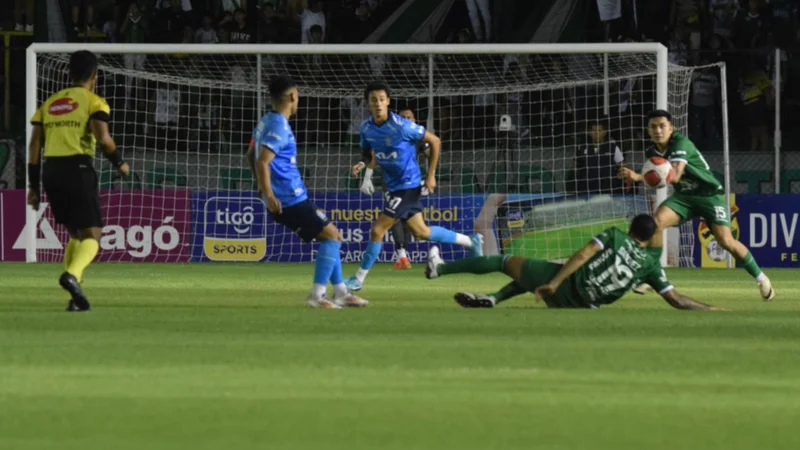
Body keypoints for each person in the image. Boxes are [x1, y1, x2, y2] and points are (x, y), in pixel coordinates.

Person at [619, 109, 774, 300]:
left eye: (662, 126)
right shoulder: (652, 152)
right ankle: (655, 275)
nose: (658, 130)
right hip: (684, 197)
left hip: (708, 196)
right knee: (655, 223)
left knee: (726, 241)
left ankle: (762, 279)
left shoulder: (681, 143)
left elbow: (673, 176)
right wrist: (643, 176)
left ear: (671, 128)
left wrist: (639, 177)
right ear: (648, 130)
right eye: (653, 127)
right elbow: (662, 178)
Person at [426, 214, 725, 311]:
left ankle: (439, 269)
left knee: (503, 261)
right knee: (535, 275)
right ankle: (494, 298)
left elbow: (582, 255)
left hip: (565, 287)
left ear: (631, 227)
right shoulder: (651, 265)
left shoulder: (615, 236)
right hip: (583, 304)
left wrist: (555, 284)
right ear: (650, 238)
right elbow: (676, 299)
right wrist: (711, 308)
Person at [347, 81, 483, 291]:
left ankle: (358, 279)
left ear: (388, 102)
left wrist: (431, 175)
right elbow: (367, 152)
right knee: (421, 232)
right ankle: (471, 242)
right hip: (393, 187)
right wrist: (363, 164)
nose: (378, 104)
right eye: (374, 100)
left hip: (408, 186)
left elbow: (435, 141)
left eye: (382, 99)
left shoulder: (402, 125)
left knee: (377, 230)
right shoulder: (366, 128)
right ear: (368, 103)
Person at [246, 75, 367, 309]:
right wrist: (269, 195)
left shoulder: (265, 121)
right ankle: (317, 295)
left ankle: (341, 292)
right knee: (333, 237)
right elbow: (262, 161)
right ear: (293, 96)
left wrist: (262, 187)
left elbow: (250, 155)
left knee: (333, 237)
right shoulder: (278, 125)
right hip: (288, 199)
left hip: (289, 197)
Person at [27, 50, 131, 312]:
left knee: (75, 233)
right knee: (93, 234)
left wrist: (33, 186)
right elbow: (103, 138)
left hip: (51, 171)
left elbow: (34, 146)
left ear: (69, 73)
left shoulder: (49, 104)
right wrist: (119, 163)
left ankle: (76, 297)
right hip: (78, 168)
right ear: (94, 76)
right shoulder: (94, 102)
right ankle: (71, 276)